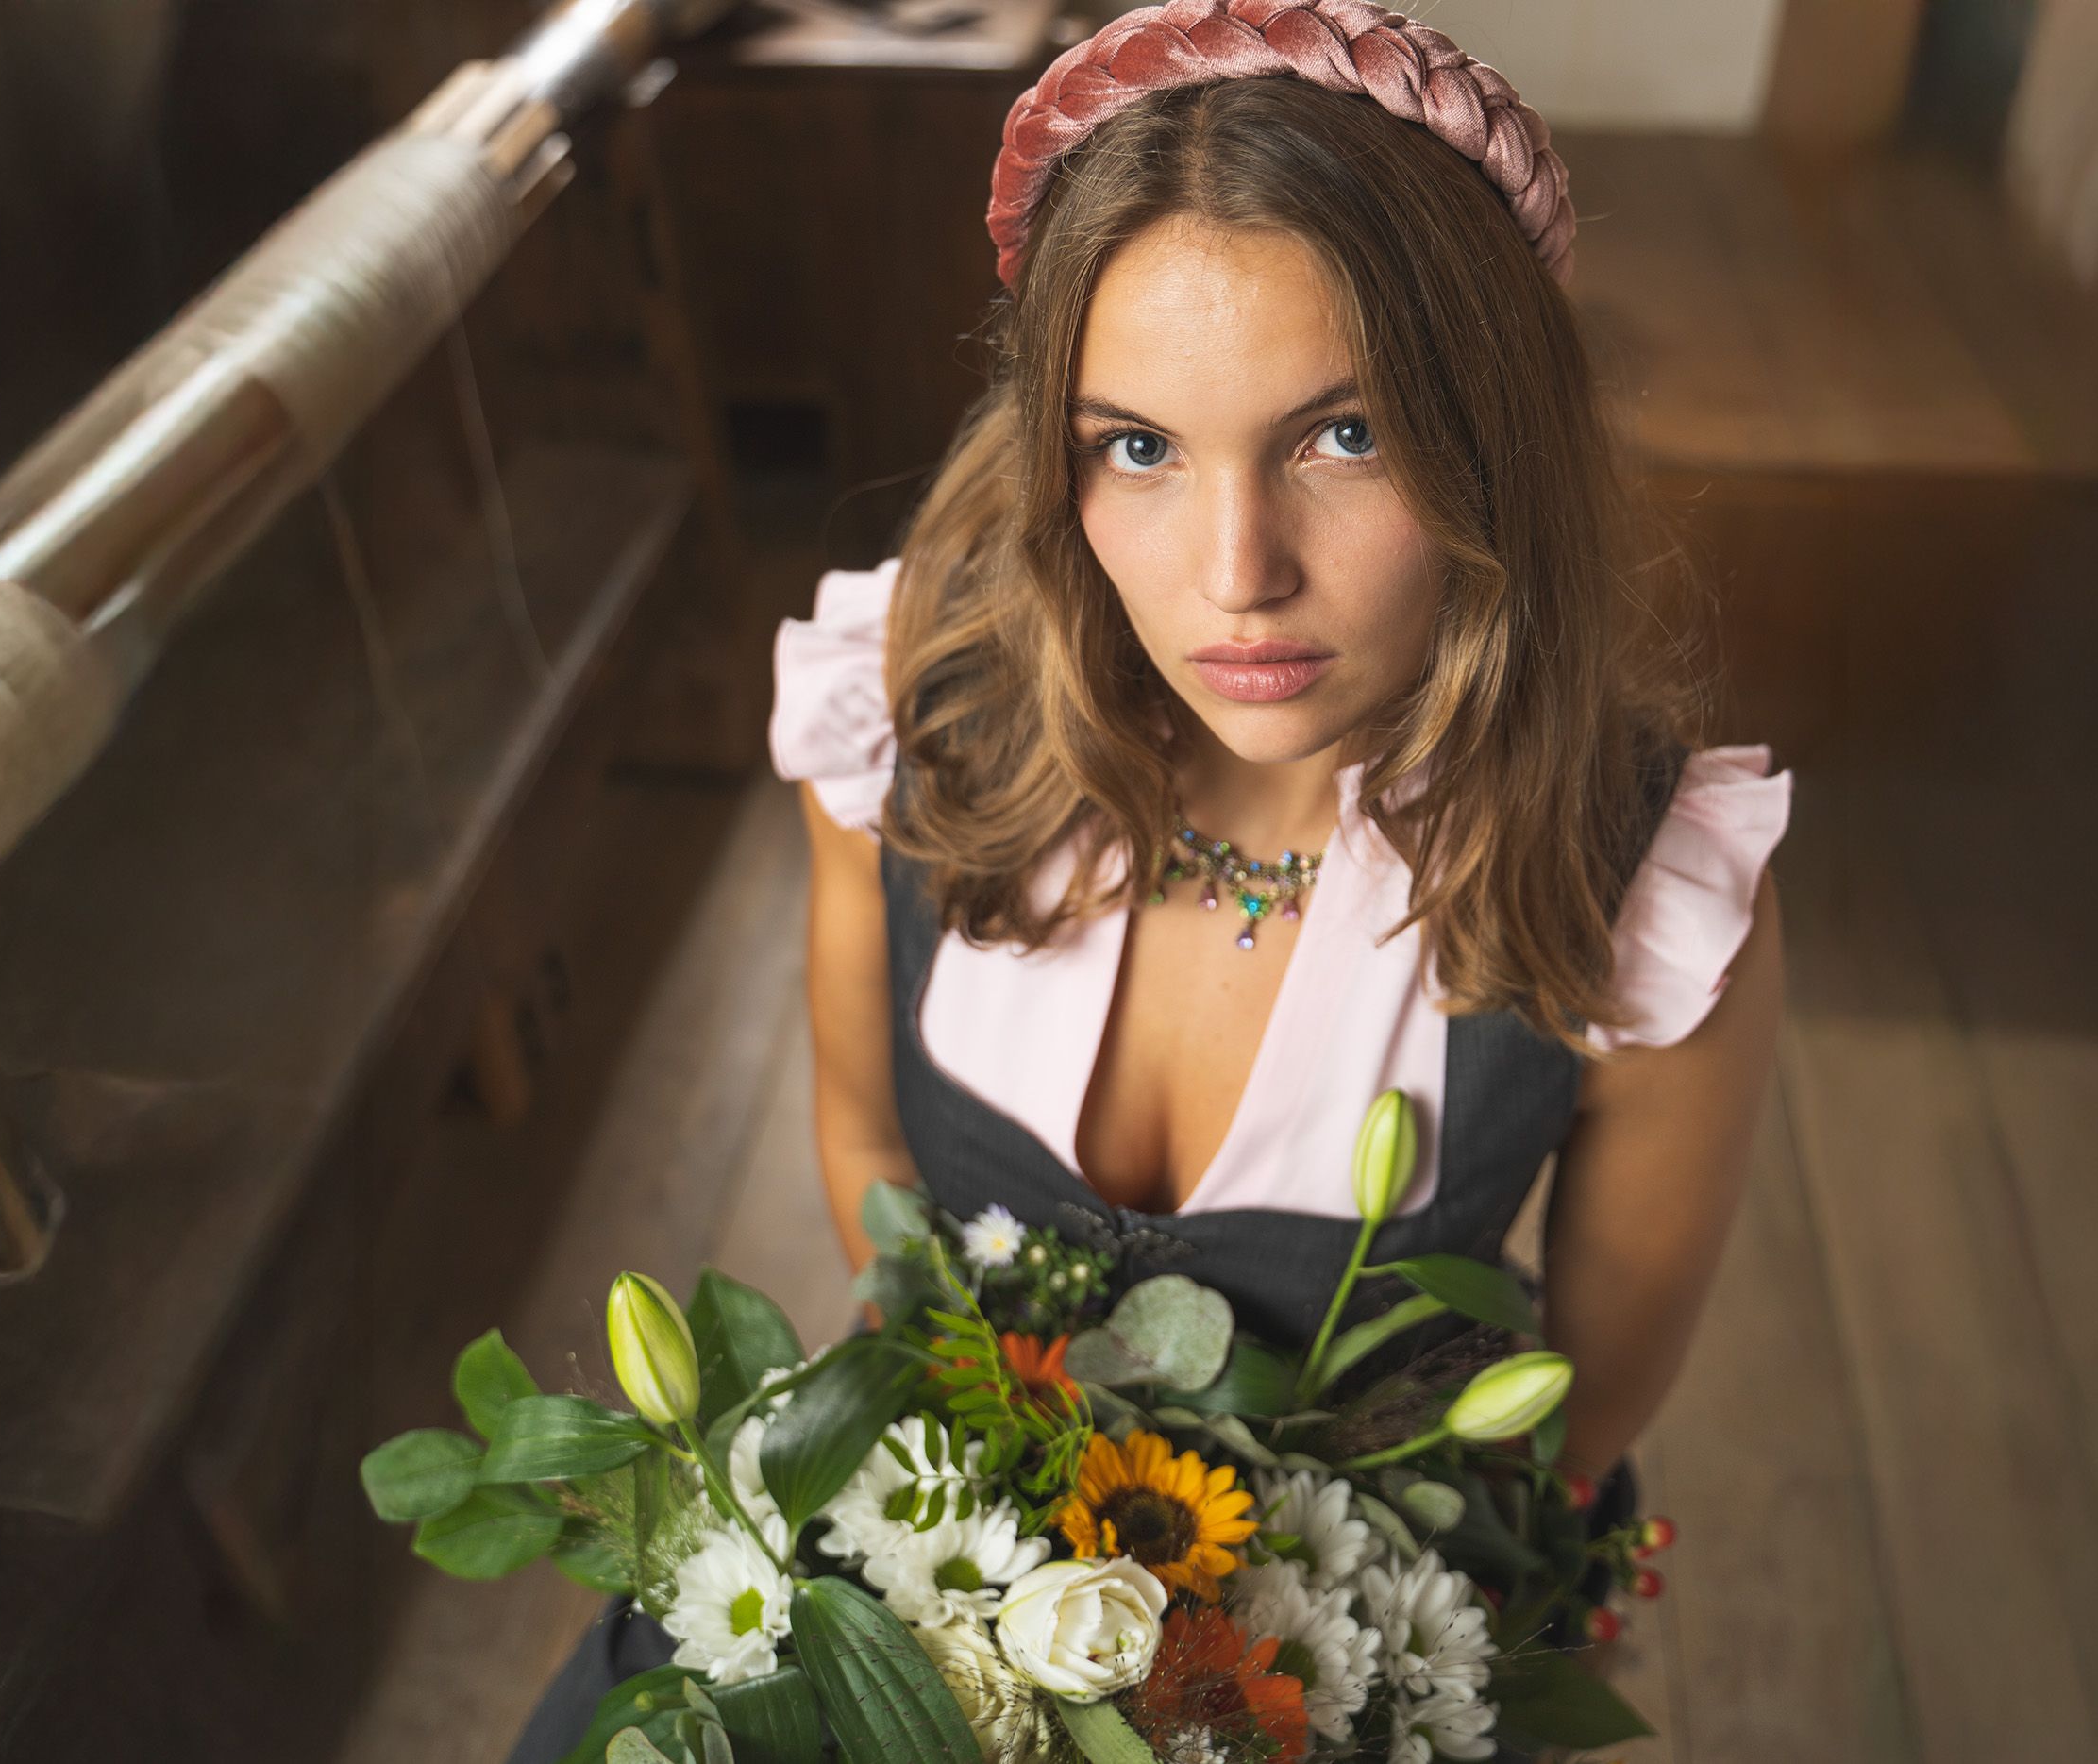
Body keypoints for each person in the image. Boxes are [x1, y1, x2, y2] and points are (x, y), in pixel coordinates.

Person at [506, 4, 1787, 1755]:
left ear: (1492, 426)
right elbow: (875, 1153)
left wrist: (1258, 1665)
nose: (1235, 572)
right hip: (920, 1553)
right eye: (1140, 447)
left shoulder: (1638, 884)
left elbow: (1568, 1415)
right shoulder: (913, 721)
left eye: (1344, 435)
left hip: (1354, 1642)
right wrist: (968, 1612)